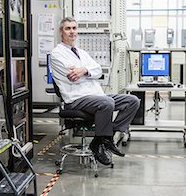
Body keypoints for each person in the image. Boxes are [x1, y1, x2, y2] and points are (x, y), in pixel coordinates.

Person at [51, 17, 140, 166]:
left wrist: (84, 70)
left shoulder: (81, 52)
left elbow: (98, 71)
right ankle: (100, 142)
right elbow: (73, 78)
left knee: (133, 101)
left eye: (74, 28)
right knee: (107, 103)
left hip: (96, 95)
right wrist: (88, 73)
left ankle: (107, 138)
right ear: (61, 32)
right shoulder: (57, 54)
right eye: (68, 28)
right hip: (76, 99)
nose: (72, 32)